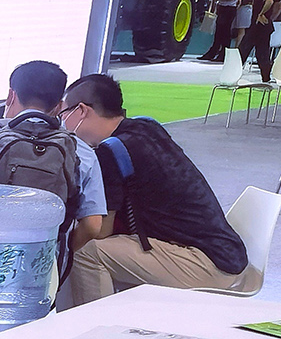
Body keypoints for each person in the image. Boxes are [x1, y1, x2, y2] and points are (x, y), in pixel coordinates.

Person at [59, 74, 248, 304]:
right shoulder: (146, 127)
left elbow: (100, 230)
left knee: (87, 253)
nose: (63, 122)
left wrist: (64, 246)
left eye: (64, 114)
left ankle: (95, 324)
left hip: (205, 264)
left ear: (81, 111)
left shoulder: (111, 151)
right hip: (227, 254)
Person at [0, 59, 108, 256]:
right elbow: (93, 225)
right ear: (59, 106)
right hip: (41, 258)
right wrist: (60, 251)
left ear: (11, 95)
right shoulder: (80, 150)